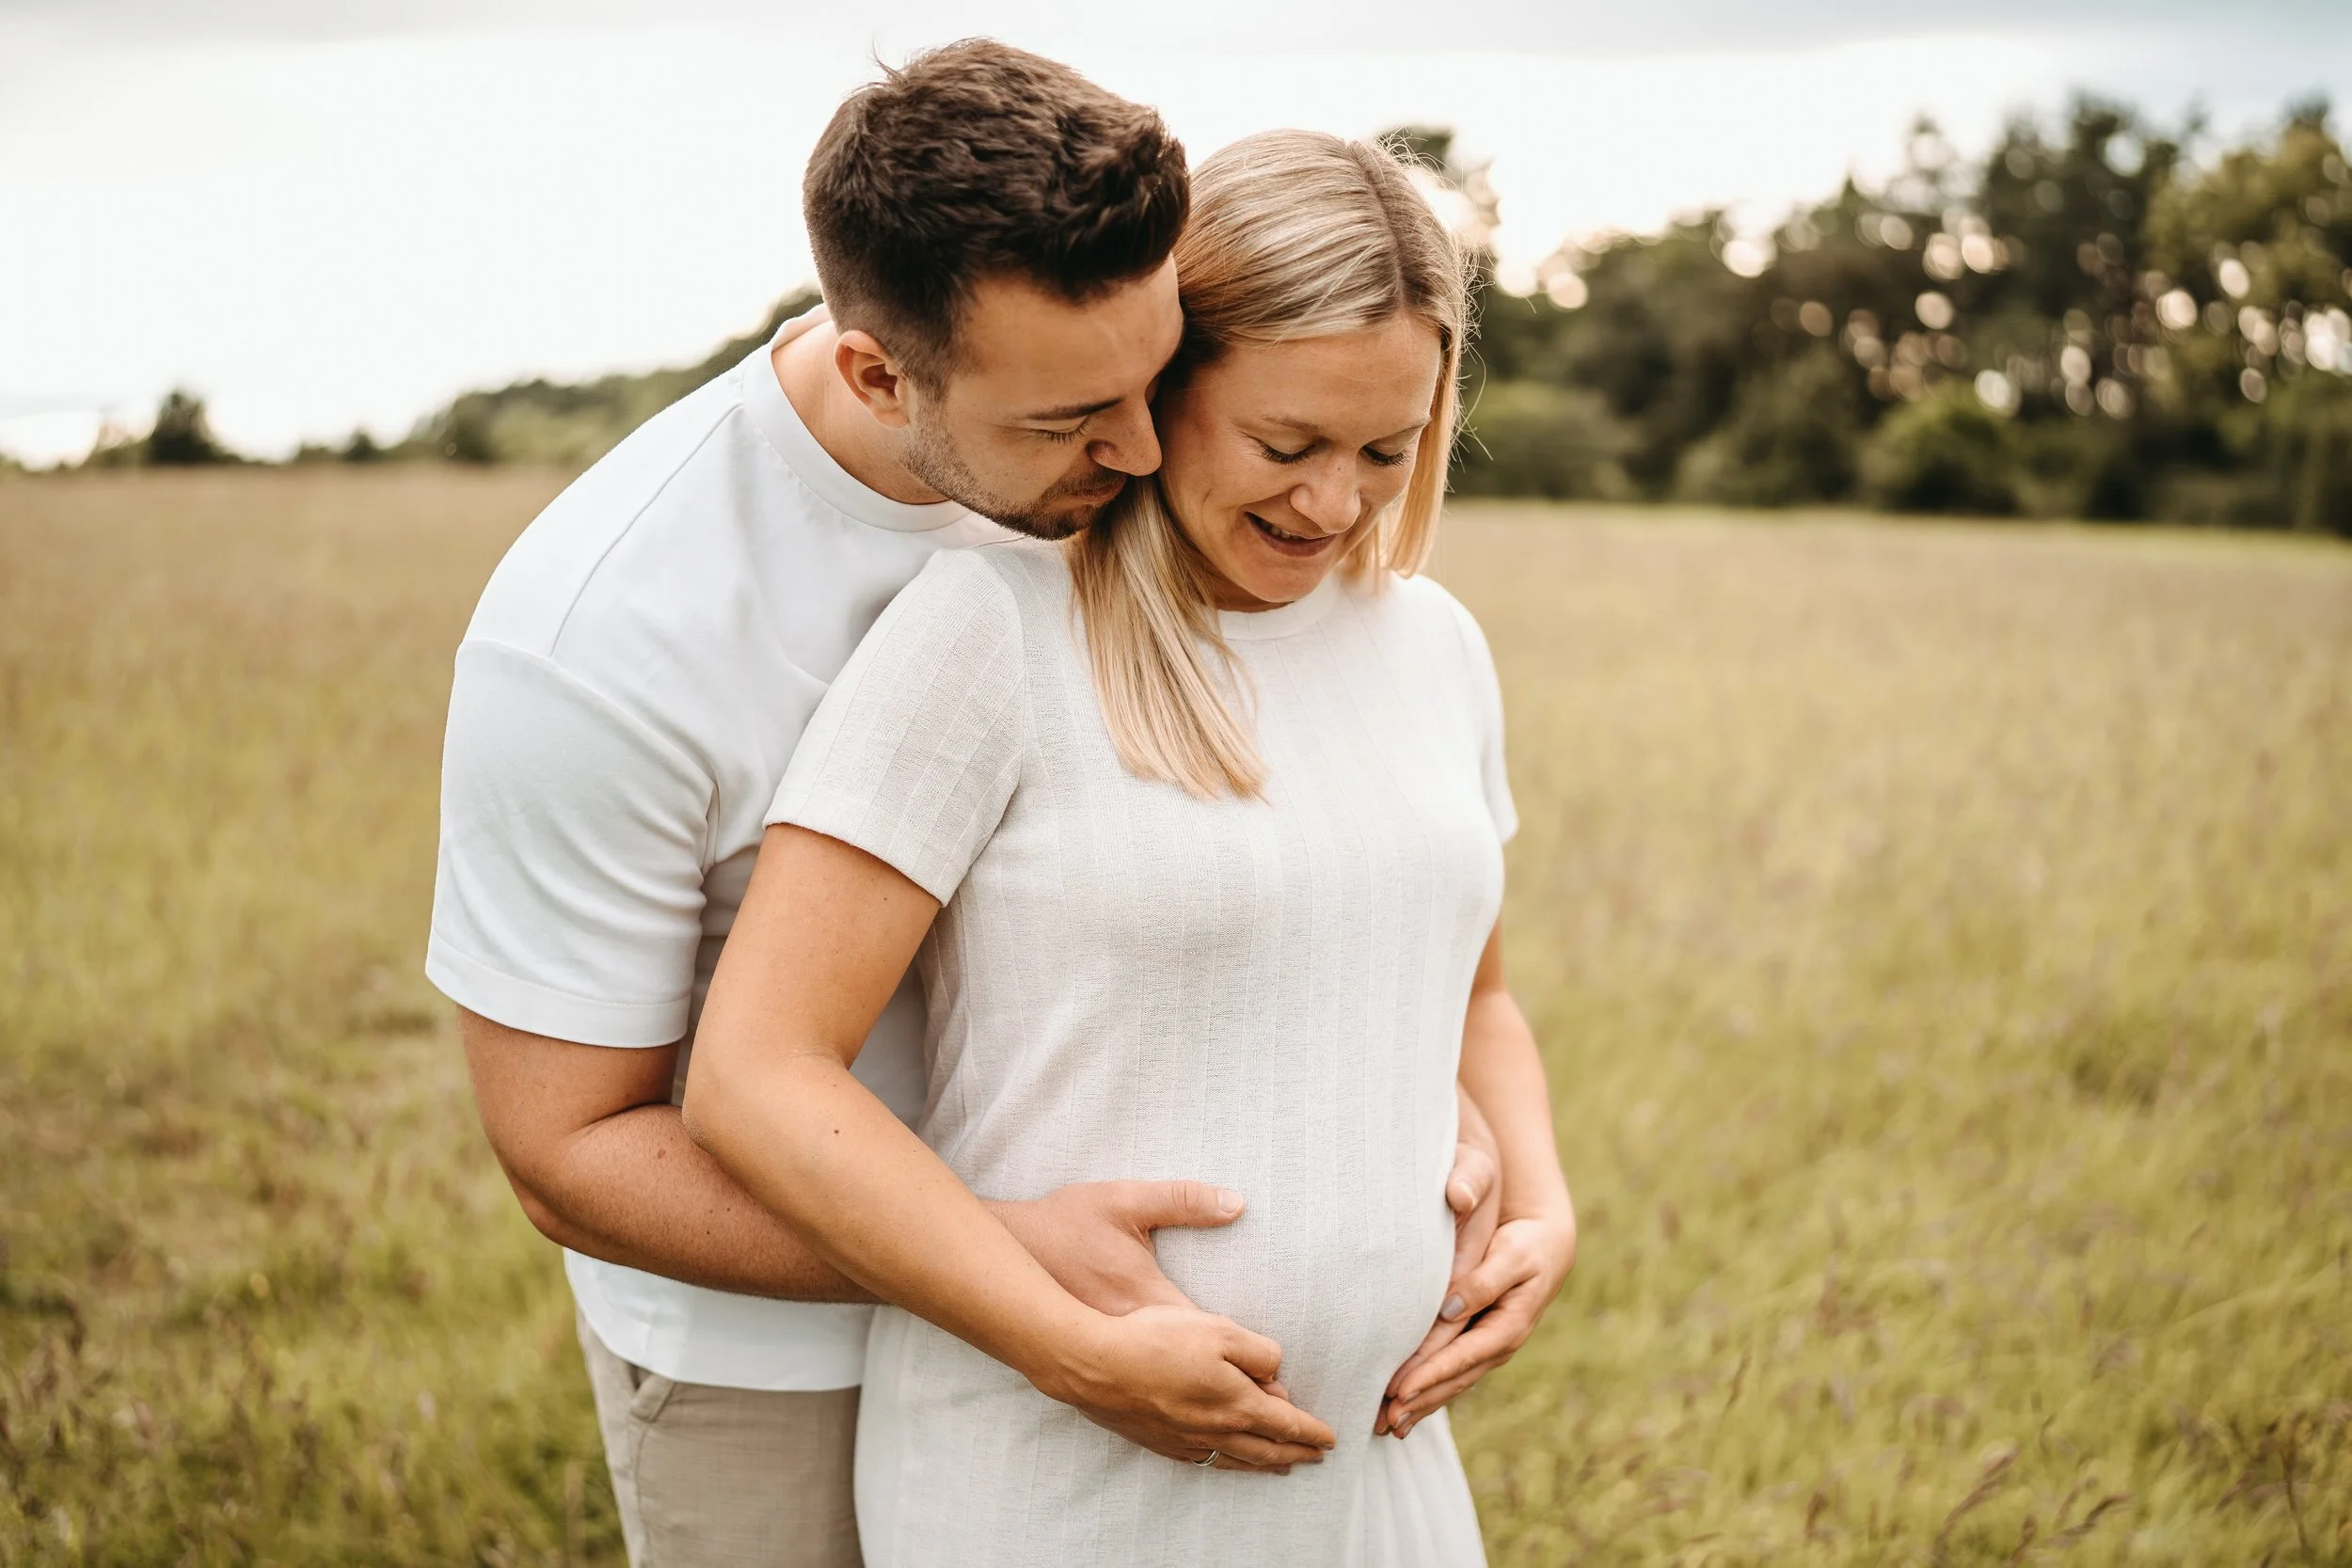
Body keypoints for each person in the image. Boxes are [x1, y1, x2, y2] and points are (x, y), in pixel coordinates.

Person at [429, 43, 1510, 1568]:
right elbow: (571, 1147)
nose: (1139, 449)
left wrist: (1394, 1073)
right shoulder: (607, 635)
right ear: (883, 374)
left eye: (1165, 378)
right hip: (776, 1341)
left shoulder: (1126, 484)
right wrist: (1005, 1269)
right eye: (1079, 415)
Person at [684, 129, 1580, 1568]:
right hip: (1060, 1469)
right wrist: (1064, 1345)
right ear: (1165, 386)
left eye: (1386, 449)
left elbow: (1472, 995)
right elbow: (756, 1071)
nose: (1335, 503)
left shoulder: (1434, 647)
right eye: (1286, 445)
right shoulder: (989, 630)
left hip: (1382, 1476)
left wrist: (1542, 1202)